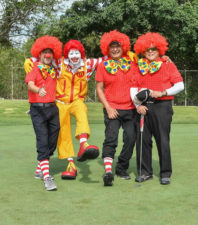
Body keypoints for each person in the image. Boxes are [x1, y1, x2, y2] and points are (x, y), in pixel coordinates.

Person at [25, 40, 106, 179]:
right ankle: (70, 164)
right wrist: (30, 61)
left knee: (82, 110)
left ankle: (83, 144)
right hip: (60, 102)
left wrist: (128, 54)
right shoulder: (60, 63)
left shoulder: (87, 64)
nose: (74, 56)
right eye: (71, 53)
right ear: (67, 54)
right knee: (64, 132)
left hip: (76, 101)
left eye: (77, 53)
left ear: (81, 54)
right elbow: (42, 58)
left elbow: (106, 59)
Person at [131, 32, 184, 185]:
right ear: (143, 51)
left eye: (153, 48)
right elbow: (133, 87)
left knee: (163, 140)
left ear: (159, 49)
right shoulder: (138, 65)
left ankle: (165, 173)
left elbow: (180, 85)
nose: (151, 51)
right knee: (143, 140)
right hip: (143, 107)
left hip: (162, 106)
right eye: (147, 49)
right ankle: (145, 172)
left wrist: (163, 92)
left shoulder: (167, 64)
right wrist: (137, 105)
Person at [96, 30, 138, 186]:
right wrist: (108, 107)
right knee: (111, 139)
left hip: (130, 109)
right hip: (112, 109)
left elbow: (148, 64)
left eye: (118, 46)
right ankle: (108, 172)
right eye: (112, 47)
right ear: (107, 48)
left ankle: (121, 168)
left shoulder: (132, 63)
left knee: (130, 139)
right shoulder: (102, 66)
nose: (115, 49)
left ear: (123, 47)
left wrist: (164, 58)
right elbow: (99, 89)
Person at [25, 35, 62, 191]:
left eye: (50, 52)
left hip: (52, 109)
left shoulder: (54, 70)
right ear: (39, 54)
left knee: (52, 139)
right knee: (43, 140)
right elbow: (30, 84)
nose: (47, 55)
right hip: (38, 110)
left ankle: (40, 167)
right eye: (44, 52)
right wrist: (38, 90)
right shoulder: (34, 69)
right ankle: (47, 177)